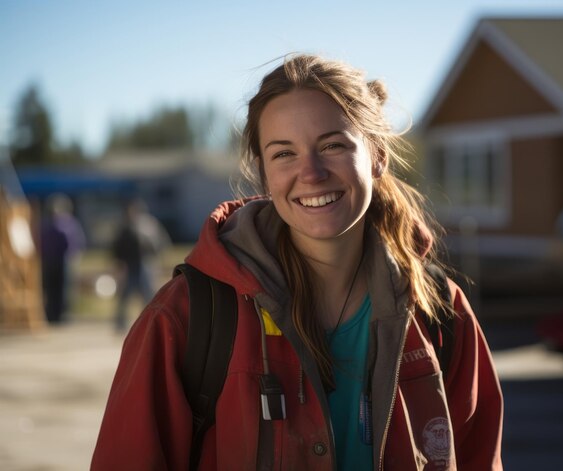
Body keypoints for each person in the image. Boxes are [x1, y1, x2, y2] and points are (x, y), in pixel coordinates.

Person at [92, 54, 503, 470]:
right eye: (284, 153)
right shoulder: (187, 316)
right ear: (264, 172)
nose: (311, 172)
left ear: (377, 155)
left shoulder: (439, 312)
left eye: (332, 145)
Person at [110, 198, 170, 332]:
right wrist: (118, 264)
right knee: (124, 296)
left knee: (148, 295)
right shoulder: (124, 227)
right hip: (129, 264)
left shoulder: (149, 225)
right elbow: (116, 248)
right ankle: (120, 324)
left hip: (146, 263)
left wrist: (158, 260)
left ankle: (151, 323)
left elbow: (161, 243)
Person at [40, 193, 85, 324]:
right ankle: (53, 314)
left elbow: (76, 243)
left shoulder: (67, 223)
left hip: (62, 260)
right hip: (52, 261)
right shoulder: (51, 224)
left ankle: (60, 314)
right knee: (53, 289)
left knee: (62, 289)